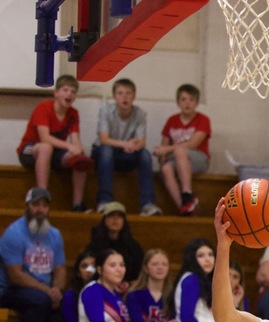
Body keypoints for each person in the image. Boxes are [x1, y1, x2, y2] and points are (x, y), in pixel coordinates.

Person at [0, 187, 67, 322]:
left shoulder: (55, 235)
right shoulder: (14, 233)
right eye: (35, 204)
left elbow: (60, 269)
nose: (40, 209)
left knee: (68, 304)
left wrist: (57, 290)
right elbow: (15, 275)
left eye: (44, 205)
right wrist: (46, 291)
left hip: (43, 291)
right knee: (40, 301)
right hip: (11, 289)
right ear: (27, 206)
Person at [17, 74, 92, 212]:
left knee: (80, 158)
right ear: (56, 93)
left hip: (53, 153)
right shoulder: (44, 107)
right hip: (30, 149)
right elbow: (45, 138)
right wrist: (69, 146)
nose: (69, 94)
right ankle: (42, 197)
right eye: (65, 90)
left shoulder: (73, 113)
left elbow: (74, 138)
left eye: (73, 91)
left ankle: (77, 204)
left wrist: (77, 150)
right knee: (46, 148)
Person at [92, 78, 162, 216]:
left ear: (134, 96)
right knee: (107, 151)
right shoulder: (105, 111)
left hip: (127, 153)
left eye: (128, 93)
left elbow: (141, 141)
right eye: (120, 93)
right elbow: (104, 139)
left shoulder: (140, 114)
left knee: (145, 155)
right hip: (103, 154)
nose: (124, 97)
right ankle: (104, 201)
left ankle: (147, 204)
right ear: (114, 96)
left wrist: (134, 146)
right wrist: (125, 144)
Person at [153, 84, 211, 215]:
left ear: (196, 103)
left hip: (198, 159)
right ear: (178, 102)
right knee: (166, 168)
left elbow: (193, 144)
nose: (187, 103)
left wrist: (167, 149)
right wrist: (161, 157)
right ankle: (184, 207)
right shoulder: (172, 120)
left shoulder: (203, 119)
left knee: (180, 151)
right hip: (177, 159)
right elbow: (164, 145)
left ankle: (187, 193)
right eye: (183, 99)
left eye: (191, 100)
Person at [87, 201, 144, 290]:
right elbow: (89, 270)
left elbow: (140, 274)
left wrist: (127, 284)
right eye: (111, 215)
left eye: (119, 216)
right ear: (104, 219)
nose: (115, 219)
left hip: (128, 290)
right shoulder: (94, 246)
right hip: (100, 288)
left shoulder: (134, 247)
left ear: (124, 221)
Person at [60, 249, 97, 322]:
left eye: (93, 266)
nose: (89, 270)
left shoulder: (107, 294)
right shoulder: (70, 296)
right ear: (77, 272)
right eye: (84, 266)